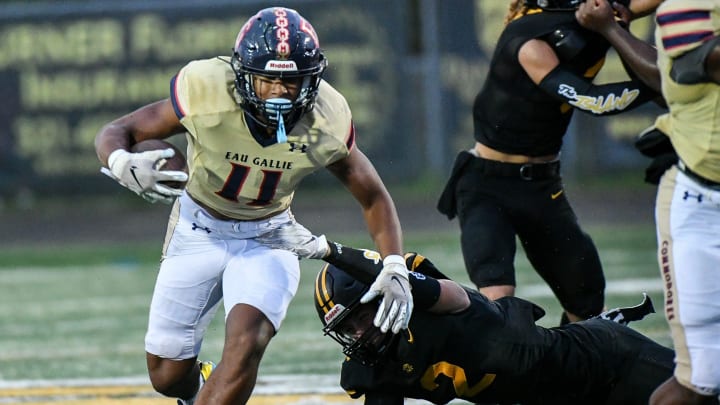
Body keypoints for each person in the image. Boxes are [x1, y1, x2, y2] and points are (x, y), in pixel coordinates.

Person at [93, 7, 413, 405]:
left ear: (311, 82)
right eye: (267, 80)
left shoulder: (326, 120)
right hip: (197, 228)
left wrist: (395, 264)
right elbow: (118, 131)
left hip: (270, 235)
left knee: (247, 342)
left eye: (291, 82)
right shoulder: (206, 89)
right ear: (242, 74)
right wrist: (121, 161)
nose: (279, 92)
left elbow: (373, 195)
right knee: (167, 376)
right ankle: (198, 388)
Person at [436, 0, 662, 325]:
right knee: (498, 300)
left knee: (586, 297)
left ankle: (571, 368)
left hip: (542, 184)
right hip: (488, 184)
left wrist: (613, 25)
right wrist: (665, 81)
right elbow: (593, 101)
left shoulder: (596, 12)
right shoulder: (529, 38)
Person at [310, 239, 674, 405]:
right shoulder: (373, 364)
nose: (358, 333)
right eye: (346, 328)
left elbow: (444, 295)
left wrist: (331, 250)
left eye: (359, 316)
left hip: (607, 363)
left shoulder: (448, 308)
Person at [577, 1, 720, 402]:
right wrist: (611, 29)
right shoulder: (691, 6)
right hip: (704, 203)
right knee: (700, 382)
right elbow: (675, 77)